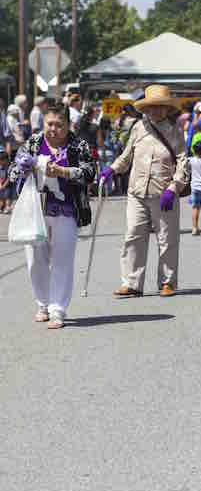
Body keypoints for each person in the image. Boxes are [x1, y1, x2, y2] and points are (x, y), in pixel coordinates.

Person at [9, 103, 97, 328]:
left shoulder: (79, 145)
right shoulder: (34, 142)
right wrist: (24, 167)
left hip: (67, 211)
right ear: (43, 123)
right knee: (35, 260)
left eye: (60, 125)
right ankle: (42, 303)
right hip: (36, 211)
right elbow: (12, 172)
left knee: (62, 261)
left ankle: (58, 308)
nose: (54, 129)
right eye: (50, 124)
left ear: (68, 125)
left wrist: (63, 171)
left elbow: (89, 173)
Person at [100, 85, 190, 298]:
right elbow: (127, 155)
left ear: (167, 109)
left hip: (164, 193)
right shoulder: (139, 127)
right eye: (152, 107)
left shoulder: (175, 130)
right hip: (137, 191)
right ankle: (131, 283)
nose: (156, 111)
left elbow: (183, 162)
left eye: (161, 107)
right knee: (133, 235)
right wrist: (112, 169)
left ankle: (167, 282)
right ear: (146, 108)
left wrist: (174, 187)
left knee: (167, 239)